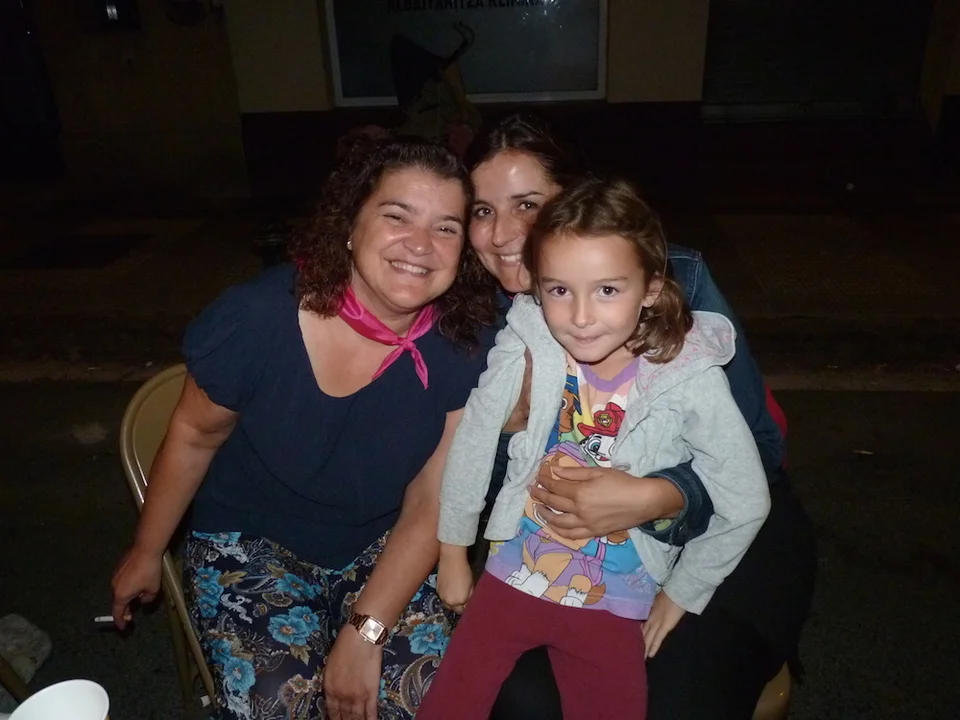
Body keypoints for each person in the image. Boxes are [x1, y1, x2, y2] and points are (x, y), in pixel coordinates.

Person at [110, 137, 499, 720]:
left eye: (446, 227)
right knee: (277, 699)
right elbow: (194, 435)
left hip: (384, 540)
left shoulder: (462, 342)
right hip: (250, 541)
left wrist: (366, 632)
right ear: (350, 225)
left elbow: (430, 500)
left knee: (423, 696)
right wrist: (146, 550)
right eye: (397, 216)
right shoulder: (257, 319)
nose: (421, 244)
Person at [462, 113, 817, 719]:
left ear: (577, 201)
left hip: (719, 528)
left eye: (528, 204)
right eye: (482, 210)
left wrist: (658, 495)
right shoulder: (476, 322)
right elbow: (472, 485)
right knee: (525, 698)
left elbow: (760, 446)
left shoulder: (672, 278)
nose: (502, 234)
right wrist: (513, 427)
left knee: (678, 695)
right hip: (569, 550)